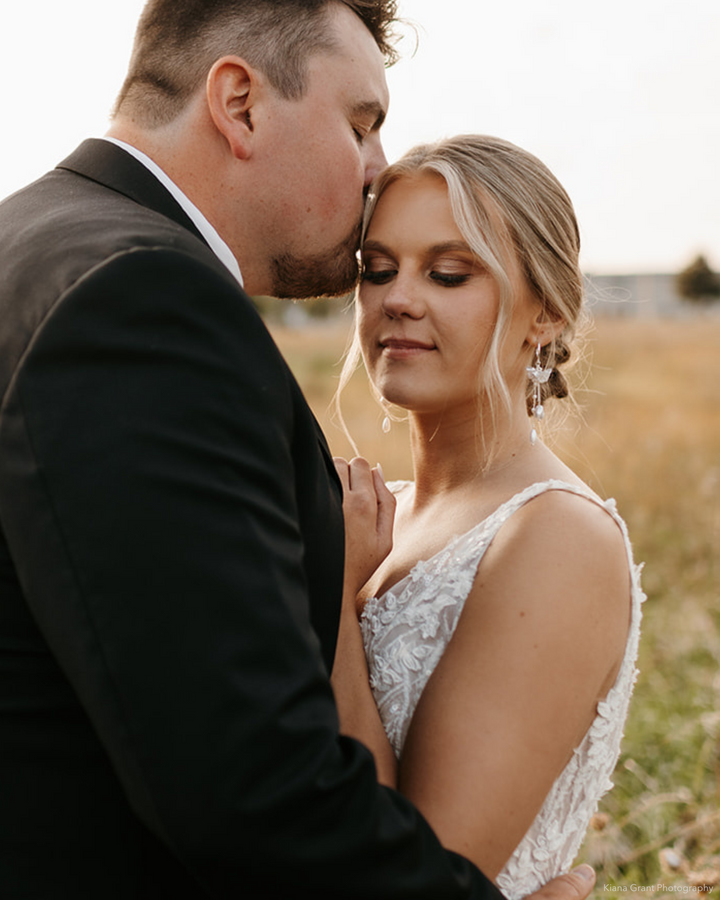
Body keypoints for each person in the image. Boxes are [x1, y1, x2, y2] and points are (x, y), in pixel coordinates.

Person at [0, 0, 598, 896]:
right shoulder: (146, 299)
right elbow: (248, 787)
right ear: (239, 103)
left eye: (449, 271)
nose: (377, 165)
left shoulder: (30, 242)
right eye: (362, 123)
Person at [331, 135, 645, 900]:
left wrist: (335, 605)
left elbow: (416, 877)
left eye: (447, 273)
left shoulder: (554, 537)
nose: (398, 297)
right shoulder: (380, 511)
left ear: (545, 313)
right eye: (377, 270)